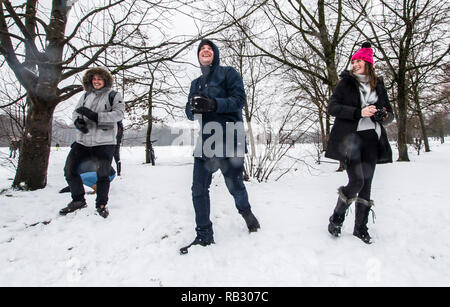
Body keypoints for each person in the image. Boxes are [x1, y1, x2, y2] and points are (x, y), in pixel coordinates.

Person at [181, 39, 260, 254]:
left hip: (230, 137)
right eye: (201, 50)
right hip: (207, 140)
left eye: (209, 49)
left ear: (215, 54)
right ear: (198, 56)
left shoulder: (228, 73)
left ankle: (246, 213)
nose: (205, 51)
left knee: (234, 185)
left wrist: (214, 104)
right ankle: (204, 234)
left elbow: (239, 99)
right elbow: (189, 113)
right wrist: (193, 108)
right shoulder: (195, 83)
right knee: (198, 188)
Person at [325, 42, 394, 244]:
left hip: (372, 139)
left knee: (367, 185)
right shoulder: (345, 83)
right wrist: (359, 112)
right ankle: (336, 217)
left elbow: (389, 114)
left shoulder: (378, 85)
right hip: (351, 138)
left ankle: (360, 228)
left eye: (359, 61)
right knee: (357, 181)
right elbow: (333, 107)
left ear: (368, 64)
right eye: (353, 61)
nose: (354, 64)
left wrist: (382, 115)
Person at [60, 67, 125, 218]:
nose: (96, 82)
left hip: (104, 141)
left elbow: (119, 114)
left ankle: (101, 204)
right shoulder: (85, 96)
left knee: (102, 174)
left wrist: (96, 116)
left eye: (99, 79)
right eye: (94, 79)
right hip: (83, 140)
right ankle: (78, 200)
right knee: (69, 170)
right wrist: (78, 122)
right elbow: (76, 112)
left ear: (105, 80)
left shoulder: (114, 95)